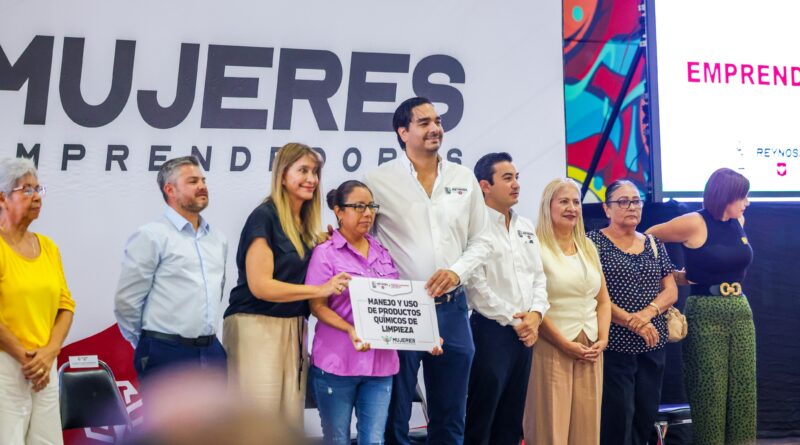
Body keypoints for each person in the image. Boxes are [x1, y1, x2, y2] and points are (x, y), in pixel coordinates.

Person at [365, 97, 491, 444]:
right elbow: (363, 240)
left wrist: (456, 272)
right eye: (424, 122)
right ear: (403, 132)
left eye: (437, 121)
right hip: (401, 306)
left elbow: (483, 240)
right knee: (395, 414)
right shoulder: (378, 180)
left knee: (451, 416)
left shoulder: (463, 177)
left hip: (452, 306)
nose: (435, 128)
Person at [223, 143, 351, 428]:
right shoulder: (264, 217)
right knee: (258, 426)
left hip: (293, 329)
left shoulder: (304, 225)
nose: (311, 179)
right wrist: (320, 290)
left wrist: (321, 243)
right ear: (282, 175)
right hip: (256, 327)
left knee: (287, 426)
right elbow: (261, 286)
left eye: (315, 172)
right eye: (303, 171)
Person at [307, 180, 438, 445]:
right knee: (337, 440)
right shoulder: (325, 253)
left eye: (371, 206)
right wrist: (349, 329)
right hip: (338, 362)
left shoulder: (382, 251)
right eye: (359, 207)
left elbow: (397, 305)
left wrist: (427, 335)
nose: (367, 213)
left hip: (380, 365)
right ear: (339, 211)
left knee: (374, 440)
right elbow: (317, 306)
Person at [647, 168, 755, 445]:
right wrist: (672, 276)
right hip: (706, 311)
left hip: (740, 310)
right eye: (743, 196)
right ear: (726, 196)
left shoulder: (738, 219)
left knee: (743, 391)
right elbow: (648, 237)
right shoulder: (694, 222)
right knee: (710, 392)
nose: (747, 202)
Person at [115, 156, 228, 382]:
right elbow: (127, 302)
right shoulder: (152, 235)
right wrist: (149, 342)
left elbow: (217, 291)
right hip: (166, 351)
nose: (202, 186)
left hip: (211, 351)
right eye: (193, 181)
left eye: (203, 180)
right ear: (170, 190)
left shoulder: (217, 238)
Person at [463, 152, 549, 445]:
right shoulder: (473, 226)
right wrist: (517, 321)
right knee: (482, 417)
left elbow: (539, 276)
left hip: (525, 333)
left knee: (512, 419)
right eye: (507, 178)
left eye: (517, 177)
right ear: (484, 185)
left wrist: (536, 314)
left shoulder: (525, 226)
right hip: (491, 331)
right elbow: (476, 286)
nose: (516, 184)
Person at [585, 180, 677, 445]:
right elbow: (593, 294)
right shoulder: (592, 243)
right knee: (617, 417)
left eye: (636, 201)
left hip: (652, 344)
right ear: (607, 209)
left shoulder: (654, 243)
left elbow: (670, 290)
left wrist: (646, 315)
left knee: (645, 415)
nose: (632, 207)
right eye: (623, 202)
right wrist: (631, 322)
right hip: (613, 344)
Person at [523, 178, 611, 445]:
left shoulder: (588, 247)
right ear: (547, 206)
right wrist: (564, 344)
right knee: (551, 431)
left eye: (576, 202)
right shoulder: (534, 246)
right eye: (564, 201)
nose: (572, 208)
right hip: (551, 346)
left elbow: (603, 300)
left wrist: (603, 339)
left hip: (590, 348)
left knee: (587, 432)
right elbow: (532, 304)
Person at [0, 157, 75, 445]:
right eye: (27, 190)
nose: (37, 197)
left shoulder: (49, 247)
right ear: (2, 198)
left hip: (45, 365)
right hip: (7, 365)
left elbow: (66, 306)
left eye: (38, 189)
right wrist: (26, 358)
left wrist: (49, 352)